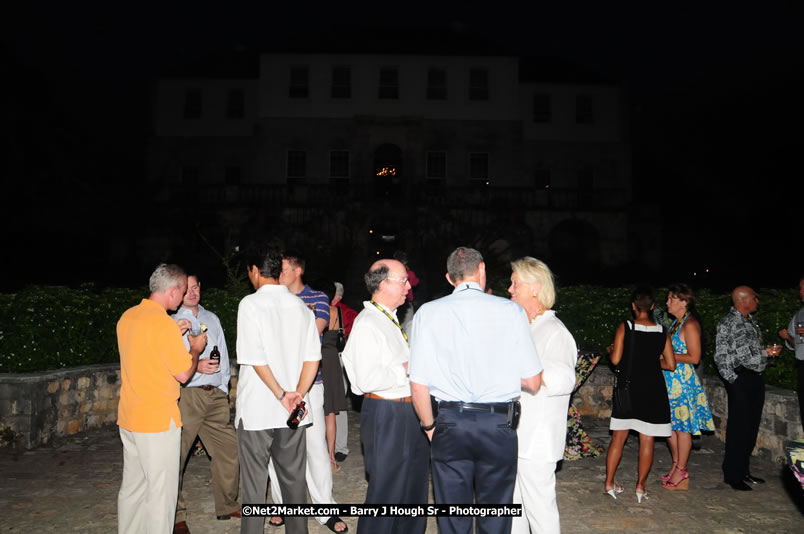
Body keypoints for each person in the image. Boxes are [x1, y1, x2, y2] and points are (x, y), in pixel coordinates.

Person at [409, 246, 543, 534]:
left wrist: (429, 426)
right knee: (494, 512)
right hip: (497, 423)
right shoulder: (511, 311)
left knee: (452, 513)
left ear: (449, 278)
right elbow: (533, 381)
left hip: (450, 421)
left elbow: (418, 383)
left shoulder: (427, 313)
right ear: (482, 269)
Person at [235, 244, 320, 534]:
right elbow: (312, 358)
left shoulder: (250, 304)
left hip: (258, 410)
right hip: (292, 411)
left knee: (254, 486)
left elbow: (254, 358)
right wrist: (298, 394)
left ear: (255, 271)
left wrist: (282, 394)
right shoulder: (301, 307)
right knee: (294, 482)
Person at [116, 263, 207, 534]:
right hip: (157, 421)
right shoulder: (163, 324)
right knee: (161, 493)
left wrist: (173, 335)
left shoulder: (128, 317)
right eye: (183, 291)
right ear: (173, 291)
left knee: (133, 489)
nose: (183, 297)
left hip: (130, 417)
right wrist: (195, 348)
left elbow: (147, 353)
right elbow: (183, 374)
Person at [341, 259, 430, 534]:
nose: (408, 287)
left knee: (413, 490)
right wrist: (406, 368)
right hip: (388, 414)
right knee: (387, 492)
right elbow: (365, 380)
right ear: (383, 284)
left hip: (407, 411)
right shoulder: (368, 324)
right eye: (403, 281)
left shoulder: (387, 319)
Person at [270, 253, 347, 533]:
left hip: (311, 385)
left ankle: (324, 509)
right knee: (279, 448)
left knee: (315, 448)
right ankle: (281, 506)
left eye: (284, 269)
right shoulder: (271, 299)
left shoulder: (318, 298)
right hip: (278, 387)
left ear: (298, 270)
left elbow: (311, 336)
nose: (279, 274)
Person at [508, 257, 578, 534]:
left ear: (535, 287)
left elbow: (565, 379)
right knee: (515, 510)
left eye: (515, 283)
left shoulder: (554, 332)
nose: (510, 289)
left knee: (540, 513)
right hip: (517, 435)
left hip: (537, 441)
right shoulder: (527, 328)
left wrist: (529, 374)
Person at [172, 274, 240, 534]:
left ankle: (227, 505)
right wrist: (195, 365)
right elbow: (169, 360)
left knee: (228, 450)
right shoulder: (172, 321)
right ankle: (176, 515)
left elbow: (223, 352)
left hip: (215, 396)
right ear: (179, 291)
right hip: (187, 395)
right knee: (176, 456)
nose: (192, 292)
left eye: (196, 287)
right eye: (187, 289)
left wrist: (223, 388)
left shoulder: (212, 318)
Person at [604, 287, 676, 502]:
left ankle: (609, 483)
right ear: (652, 306)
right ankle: (640, 487)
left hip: (628, 388)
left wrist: (611, 351)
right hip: (653, 389)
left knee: (619, 437)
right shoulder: (662, 331)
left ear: (633, 306)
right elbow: (671, 364)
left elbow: (616, 360)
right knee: (647, 439)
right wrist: (650, 362)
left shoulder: (626, 327)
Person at [715, 285, 775, 491]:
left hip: (755, 378)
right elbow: (721, 355)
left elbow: (749, 353)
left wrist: (765, 354)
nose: (757, 301)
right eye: (754, 297)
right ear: (743, 300)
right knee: (738, 428)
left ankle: (743, 470)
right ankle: (732, 475)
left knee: (751, 427)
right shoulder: (728, 322)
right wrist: (733, 380)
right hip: (740, 379)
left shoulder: (751, 321)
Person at [660, 283, 715, 491]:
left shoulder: (690, 324)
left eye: (671, 299)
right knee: (669, 427)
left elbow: (694, 357)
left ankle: (682, 470)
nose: (667, 302)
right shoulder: (676, 323)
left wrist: (667, 356)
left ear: (684, 302)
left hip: (682, 382)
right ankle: (676, 464)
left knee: (682, 428)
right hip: (670, 381)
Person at [332, 281, 357, 463]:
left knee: (334, 405)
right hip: (339, 358)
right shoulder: (350, 313)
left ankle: (338, 446)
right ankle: (338, 446)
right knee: (338, 405)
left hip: (337, 358)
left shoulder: (345, 312)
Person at [778, 274, 804, 430]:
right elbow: (796, 345)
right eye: (800, 288)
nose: (801, 291)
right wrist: (788, 337)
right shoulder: (799, 314)